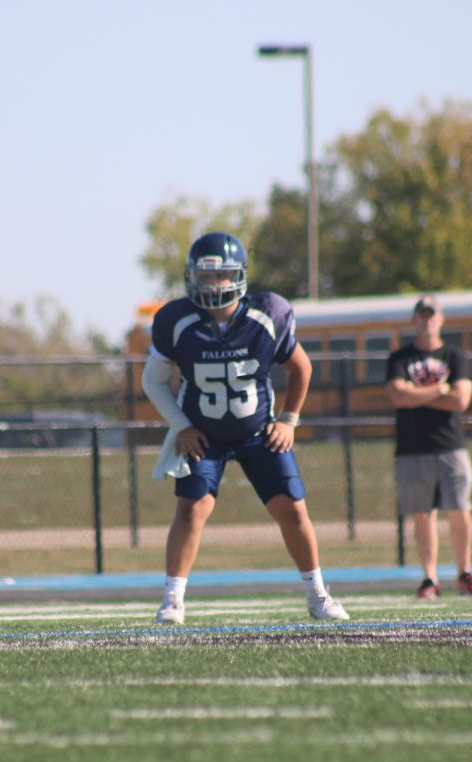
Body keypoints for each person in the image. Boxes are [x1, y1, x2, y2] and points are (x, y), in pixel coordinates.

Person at [140, 231, 349, 624]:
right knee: (191, 509)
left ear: (238, 276)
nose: (213, 283)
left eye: (222, 275)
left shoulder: (268, 313)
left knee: (292, 508)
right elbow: (152, 380)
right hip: (204, 432)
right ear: (191, 276)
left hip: (259, 431)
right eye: (204, 275)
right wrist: (181, 425)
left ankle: (318, 594)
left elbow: (301, 367)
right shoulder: (177, 319)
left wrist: (289, 420)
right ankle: (172, 601)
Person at [385, 295, 472, 599]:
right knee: (422, 513)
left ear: (441, 319)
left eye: (432, 314)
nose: (427, 320)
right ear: (413, 319)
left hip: (450, 445)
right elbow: (397, 396)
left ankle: (464, 573)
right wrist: (439, 389)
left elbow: (461, 400)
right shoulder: (400, 358)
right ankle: (430, 578)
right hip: (412, 448)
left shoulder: (455, 356)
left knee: (459, 509)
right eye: (422, 314)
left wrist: (417, 393)